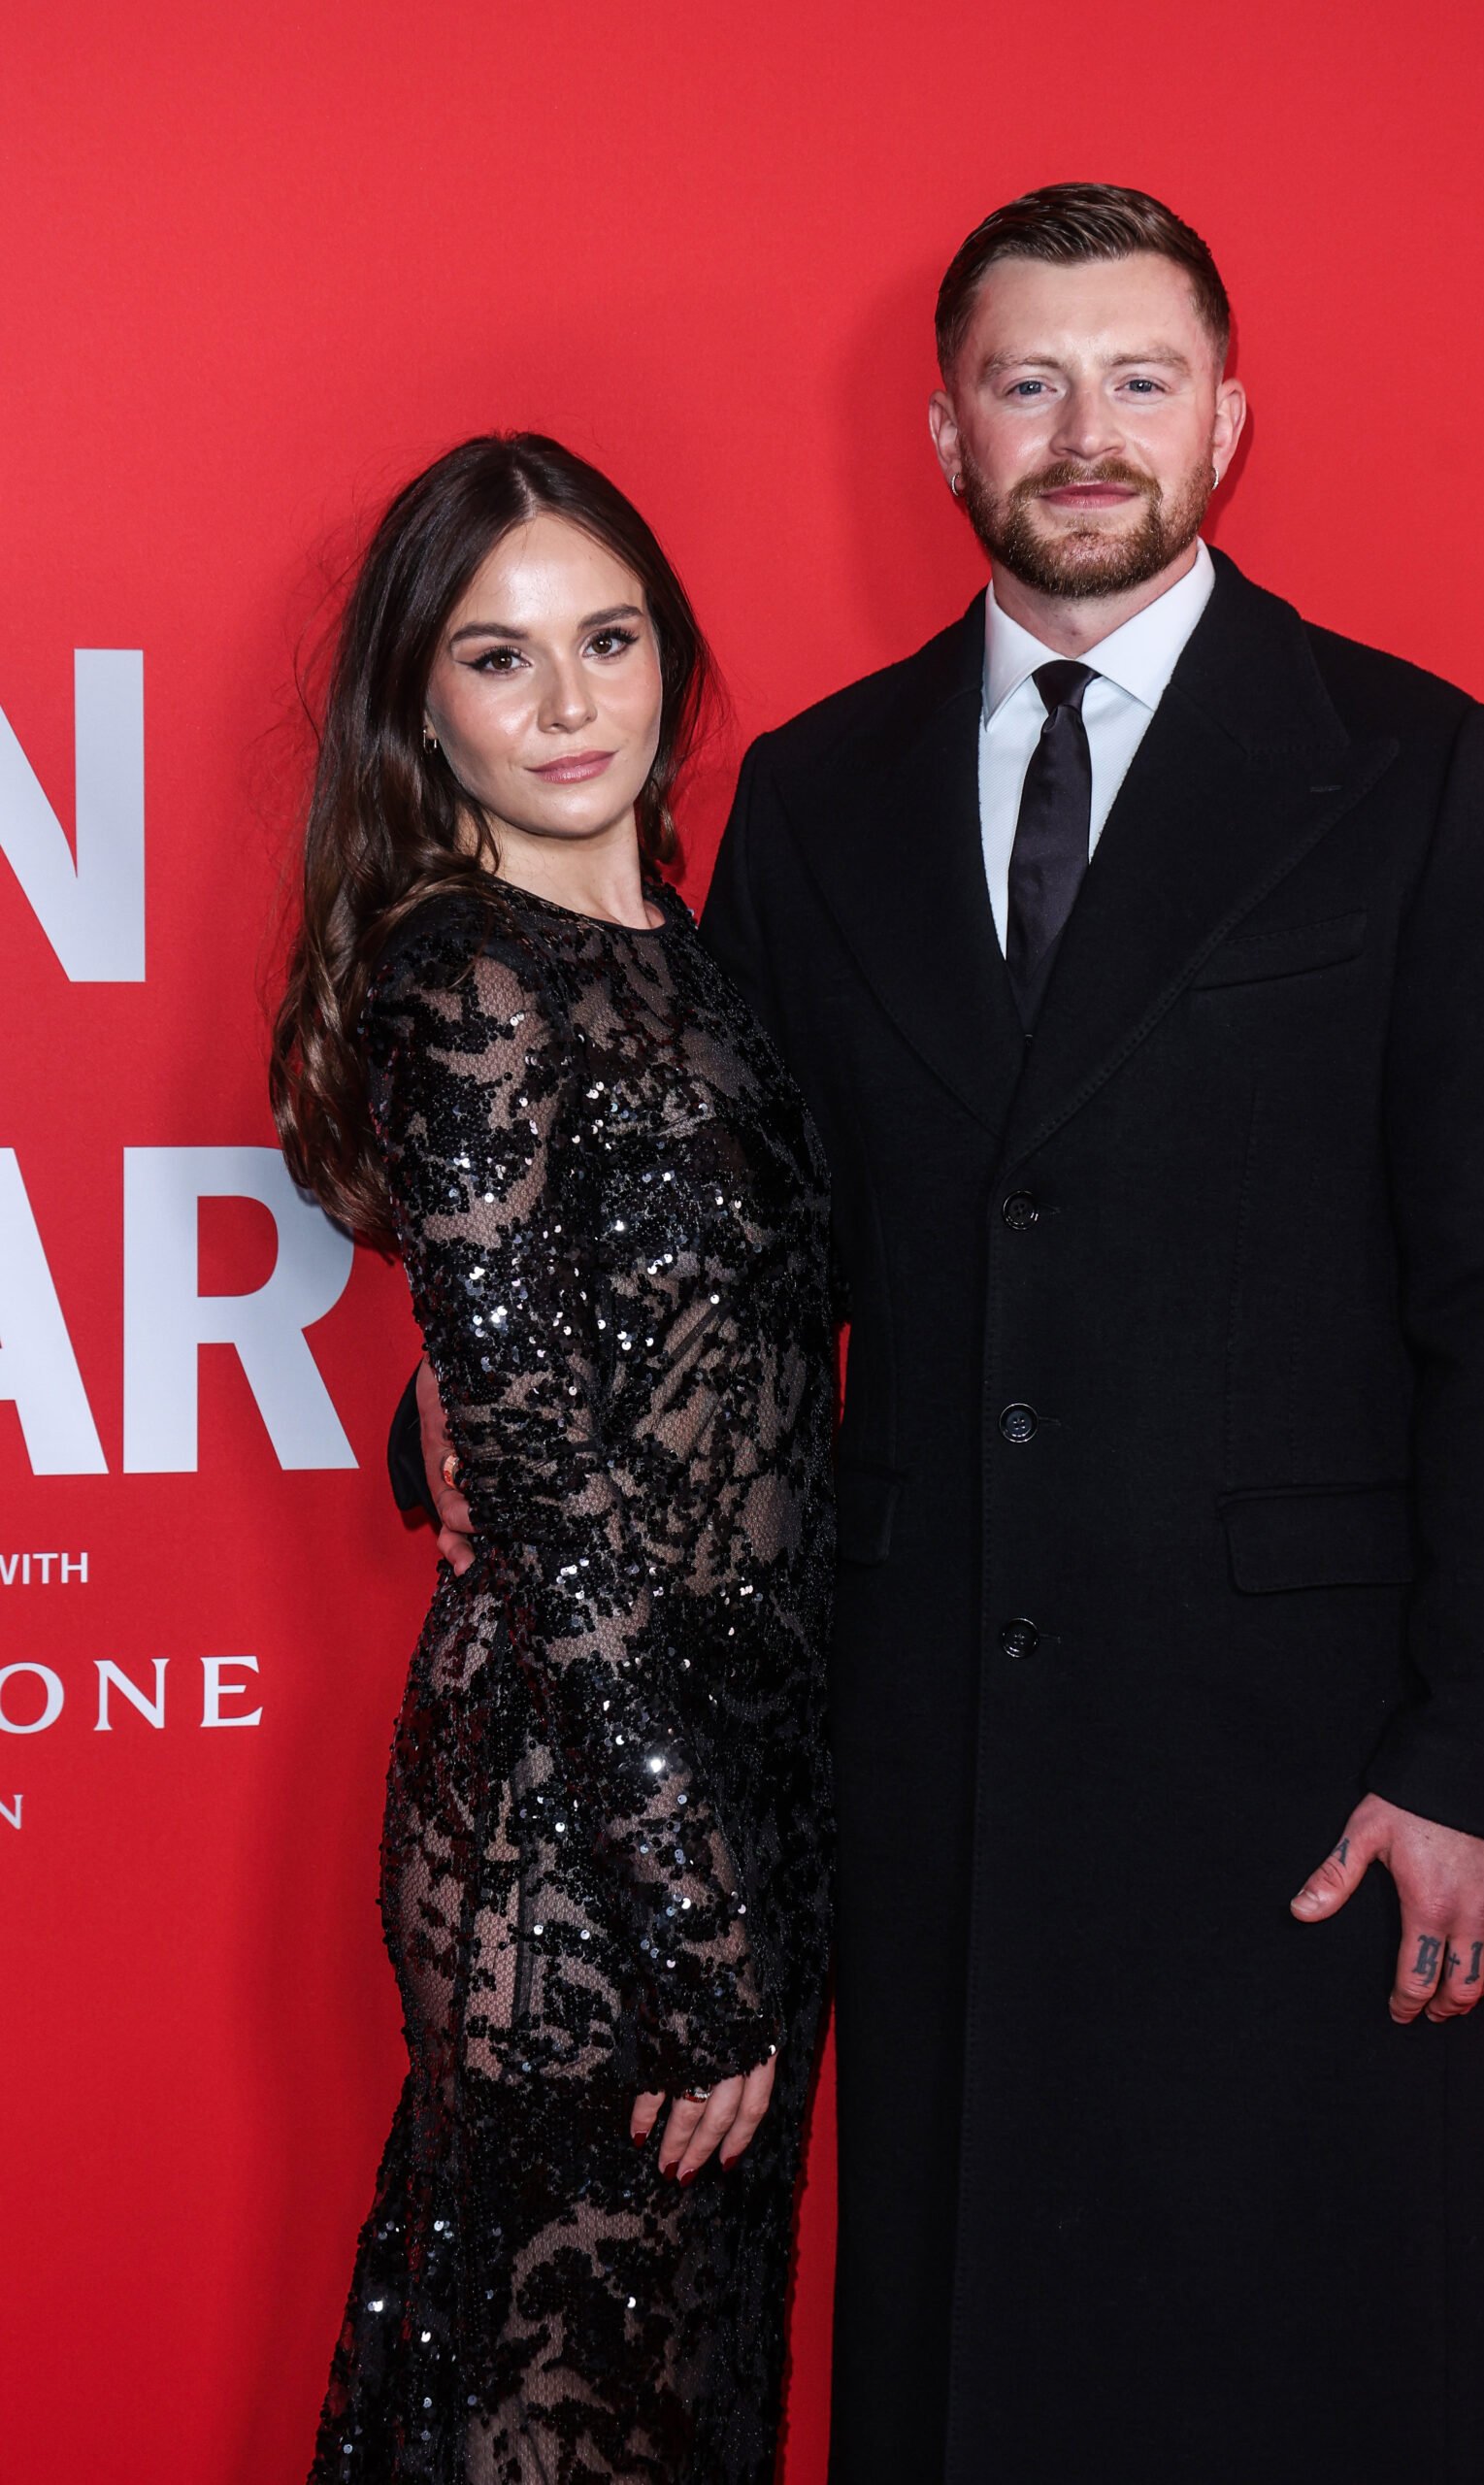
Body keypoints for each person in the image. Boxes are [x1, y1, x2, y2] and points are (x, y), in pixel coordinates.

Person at [412, 185, 1484, 2481]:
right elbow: (725, 1254)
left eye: (1137, 377)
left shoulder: (1420, 770)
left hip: (1305, 1769)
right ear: (942, 427)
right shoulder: (814, 794)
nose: (1085, 431)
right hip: (923, 1747)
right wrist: (440, 1423)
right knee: (978, 2386)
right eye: (1027, 381)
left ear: (1226, 415)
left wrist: (1482, 1753)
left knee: (1322, 2383)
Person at [272, 432, 837, 2485]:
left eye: (605, 638)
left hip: (728, 1805)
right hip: (578, 1845)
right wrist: (696, 1939)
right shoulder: (471, 977)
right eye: (500, 660)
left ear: (670, 654)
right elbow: (555, 1509)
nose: (571, 700)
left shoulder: (698, 966)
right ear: (420, 704)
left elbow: (674, 1375)